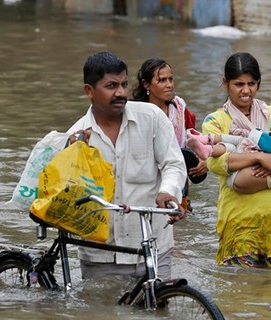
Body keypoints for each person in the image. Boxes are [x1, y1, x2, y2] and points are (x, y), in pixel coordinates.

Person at [67, 52, 187, 280]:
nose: (120, 92)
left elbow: (173, 163)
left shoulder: (151, 117)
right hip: (100, 254)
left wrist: (168, 191)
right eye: (111, 86)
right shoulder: (76, 137)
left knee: (159, 310)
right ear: (89, 91)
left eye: (124, 84)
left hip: (153, 245)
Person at [202, 52, 271, 268]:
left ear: (259, 83)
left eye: (252, 83)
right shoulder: (215, 121)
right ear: (225, 83)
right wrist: (260, 157)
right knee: (241, 294)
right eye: (239, 84)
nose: (246, 90)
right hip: (240, 218)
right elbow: (214, 163)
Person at [132, 58, 207, 212]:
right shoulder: (136, 113)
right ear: (146, 84)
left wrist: (204, 161)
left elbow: (194, 140)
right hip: (145, 188)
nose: (169, 85)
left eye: (171, 79)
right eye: (162, 80)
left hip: (178, 187)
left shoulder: (179, 109)